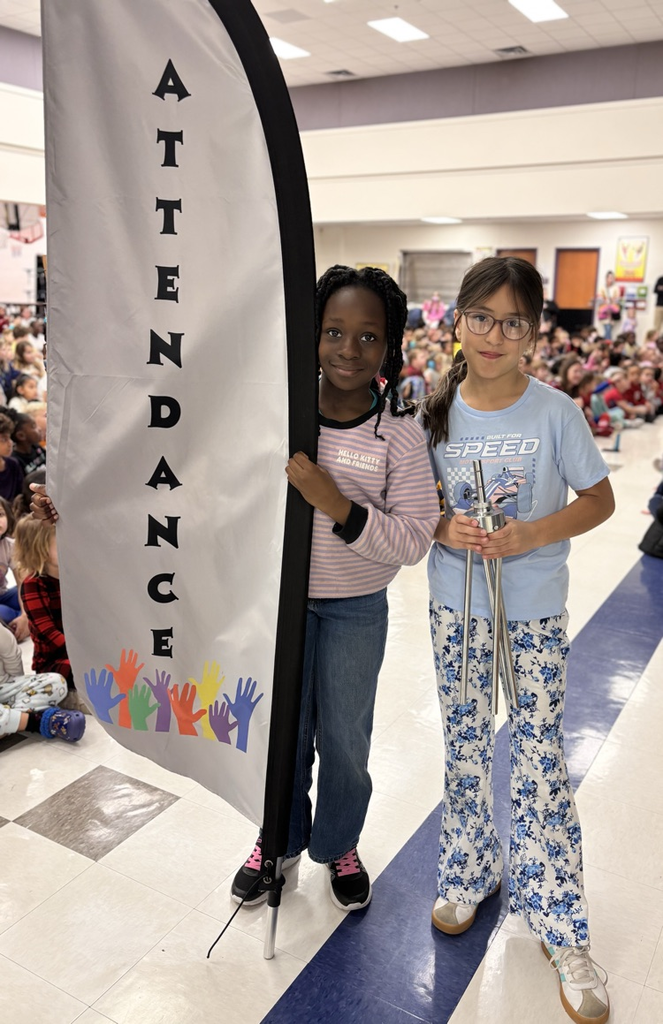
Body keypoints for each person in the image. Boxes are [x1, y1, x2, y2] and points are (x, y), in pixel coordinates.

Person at [420, 257, 614, 1024]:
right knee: (463, 745)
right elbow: (413, 508)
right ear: (456, 320)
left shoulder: (554, 412)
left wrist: (534, 530)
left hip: (532, 615)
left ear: (533, 334)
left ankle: (561, 923)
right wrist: (442, 525)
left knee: (537, 758)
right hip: (453, 610)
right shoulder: (430, 412)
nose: (493, 335)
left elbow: (599, 499)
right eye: (480, 317)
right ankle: (468, 871)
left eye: (512, 322)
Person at [230, 265, 439, 912]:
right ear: (311, 335)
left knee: (345, 739)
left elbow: (412, 539)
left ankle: (340, 842)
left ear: (390, 345)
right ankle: (277, 836)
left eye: (368, 337)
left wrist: (337, 505)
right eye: (333, 332)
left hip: (354, 611)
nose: (349, 350)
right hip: (281, 607)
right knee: (283, 731)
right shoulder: (282, 417)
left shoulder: (400, 435)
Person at [13, 515, 87, 713]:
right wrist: (84, 655)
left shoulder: (71, 576)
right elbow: (48, 632)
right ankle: (69, 699)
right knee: (81, 670)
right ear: (42, 550)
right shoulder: (33, 585)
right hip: (53, 661)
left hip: (79, 651)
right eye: (59, 542)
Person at [0, 619, 84, 742]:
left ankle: (10, 722)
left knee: (56, 682)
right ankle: (35, 721)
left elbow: (13, 662)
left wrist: (21, 691)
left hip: (5, 689)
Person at [0, 413, 23, 502]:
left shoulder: (13, 464)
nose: (10, 443)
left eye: (9, 438)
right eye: (4, 439)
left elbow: (20, 495)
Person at [596, 271, 621, 340]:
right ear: (606, 278)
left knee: (608, 328)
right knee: (607, 328)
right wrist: (606, 302)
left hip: (612, 311)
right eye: (609, 277)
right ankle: (608, 342)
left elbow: (617, 298)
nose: (611, 279)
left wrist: (612, 302)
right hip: (604, 311)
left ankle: (606, 342)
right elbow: (599, 298)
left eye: (612, 277)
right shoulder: (602, 288)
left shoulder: (616, 288)